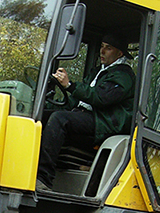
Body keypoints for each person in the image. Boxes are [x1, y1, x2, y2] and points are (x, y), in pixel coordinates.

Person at [36, 33, 136, 192]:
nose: (102, 51)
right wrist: (41, 105)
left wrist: (70, 86)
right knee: (40, 115)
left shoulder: (123, 76)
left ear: (119, 53)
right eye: (101, 47)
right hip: (86, 116)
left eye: (108, 48)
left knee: (60, 119)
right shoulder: (97, 72)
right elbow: (75, 102)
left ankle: (43, 178)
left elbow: (101, 98)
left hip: (104, 122)